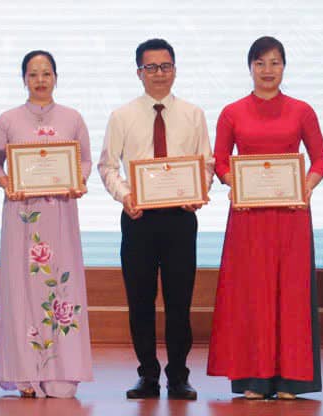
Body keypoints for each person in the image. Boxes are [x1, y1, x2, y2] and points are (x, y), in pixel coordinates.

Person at [207, 36, 323, 400]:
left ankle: (292, 379)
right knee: (251, 294)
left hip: (291, 216)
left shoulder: (301, 110)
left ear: (284, 67)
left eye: (275, 62)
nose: (268, 70)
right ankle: (254, 378)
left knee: (291, 294)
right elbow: (220, 160)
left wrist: (307, 185)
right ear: (250, 68)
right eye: (260, 63)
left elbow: (321, 157)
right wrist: (233, 183)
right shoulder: (232, 112)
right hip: (248, 217)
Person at [97, 38, 210, 400]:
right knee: (140, 301)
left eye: (166, 66)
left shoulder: (193, 114)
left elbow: (206, 163)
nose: (159, 73)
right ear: (139, 72)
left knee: (179, 302)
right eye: (151, 67)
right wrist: (125, 196)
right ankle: (147, 375)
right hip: (138, 218)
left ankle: (178, 376)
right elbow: (107, 166)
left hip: (180, 219)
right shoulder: (122, 116)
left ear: (175, 70)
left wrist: (199, 191)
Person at [0, 50, 93, 398]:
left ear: (56, 78)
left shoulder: (73, 118)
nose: (40, 80)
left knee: (60, 286)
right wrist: (5, 182)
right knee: (21, 289)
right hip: (22, 215)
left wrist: (78, 181)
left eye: (46, 73)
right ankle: (24, 374)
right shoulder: (8, 120)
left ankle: (62, 371)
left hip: (60, 214)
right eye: (33, 74)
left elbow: (84, 161)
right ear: (24, 79)